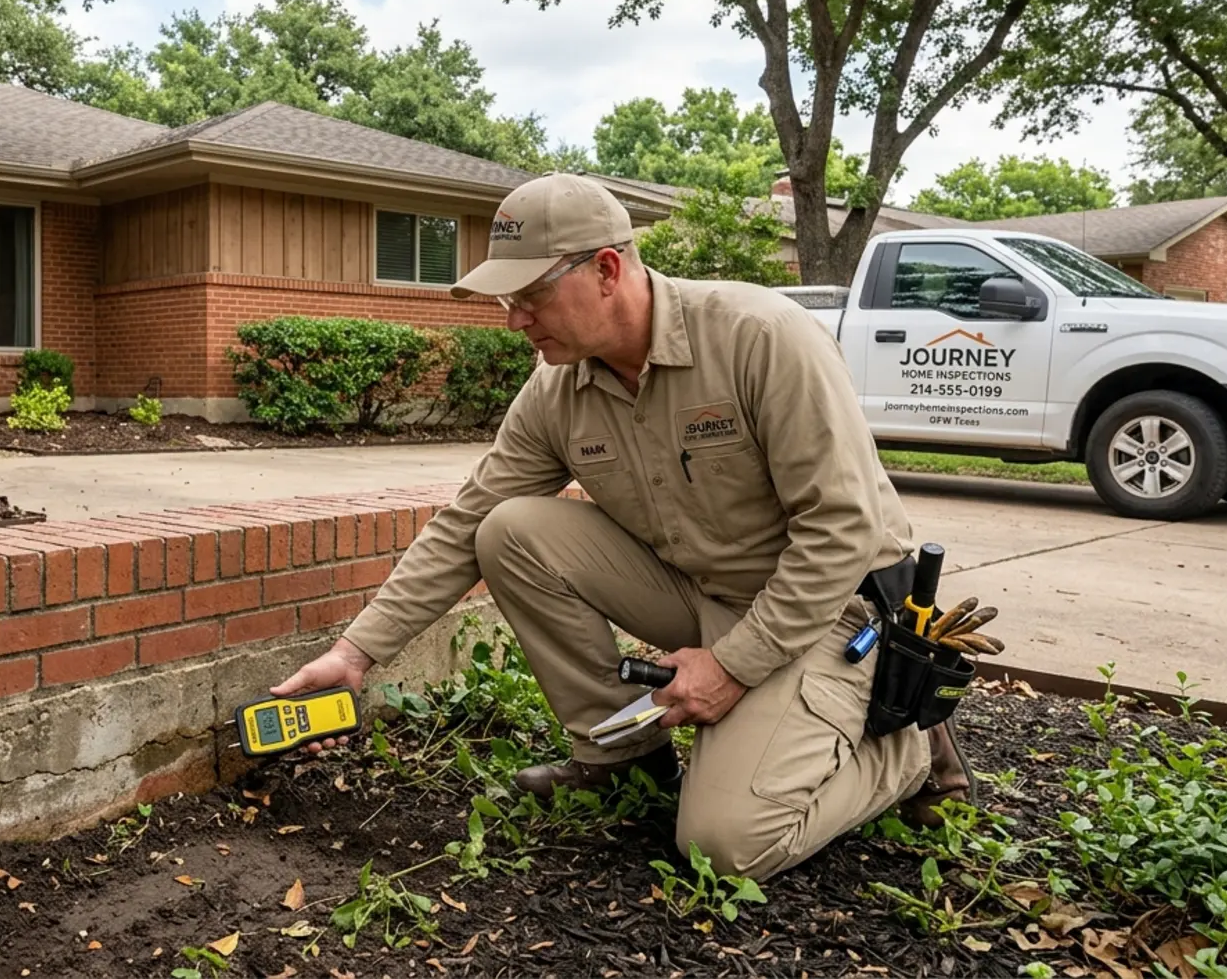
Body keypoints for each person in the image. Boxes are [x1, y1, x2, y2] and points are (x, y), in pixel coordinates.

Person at [270, 172, 975, 880]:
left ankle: (905, 755)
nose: (514, 320)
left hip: (832, 611)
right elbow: (468, 519)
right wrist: (356, 654)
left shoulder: (761, 337)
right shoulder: (558, 388)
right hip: (705, 591)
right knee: (508, 531)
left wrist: (731, 667)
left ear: (606, 269)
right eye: (507, 301)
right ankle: (622, 760)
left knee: (725, 846)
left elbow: (841, 529)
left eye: (531, 295)